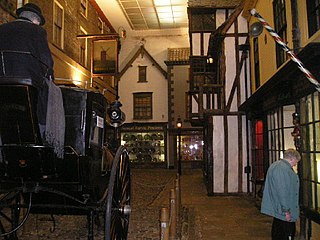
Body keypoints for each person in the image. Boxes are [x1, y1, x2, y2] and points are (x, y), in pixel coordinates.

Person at [0, 3, 54, 128]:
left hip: (2, 80)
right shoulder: (38, 31)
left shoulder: (2, 29)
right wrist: (50, 78)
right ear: (36, 20)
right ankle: (42, 128)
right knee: (47, 96)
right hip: (28, 81)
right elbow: (46, 60)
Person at [261, 148, 301, 240]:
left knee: (278, 230)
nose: (295, 164)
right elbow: (282, 191)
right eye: (295, 161)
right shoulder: (282, 169)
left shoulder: (277, 165)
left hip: (278, 208)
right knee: (285, 233)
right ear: (291, 158)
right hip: (283, 210)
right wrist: (286, 210)